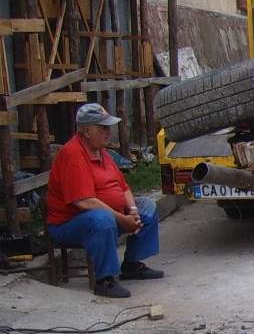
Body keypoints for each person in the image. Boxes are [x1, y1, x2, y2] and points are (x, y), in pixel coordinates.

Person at [46, 102, 165, 299]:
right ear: (86, 131)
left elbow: (124, 188)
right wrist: (122, 219)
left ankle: (132, 264)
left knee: (147, 206)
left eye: (108, 127)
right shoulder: (73, 154)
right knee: (102, 218)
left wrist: (133, 211)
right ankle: (105, 280)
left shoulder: (102, 152)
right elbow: (85, 202)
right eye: (102, 128)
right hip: (70, 224)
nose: (108, 132)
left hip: (108, 216)